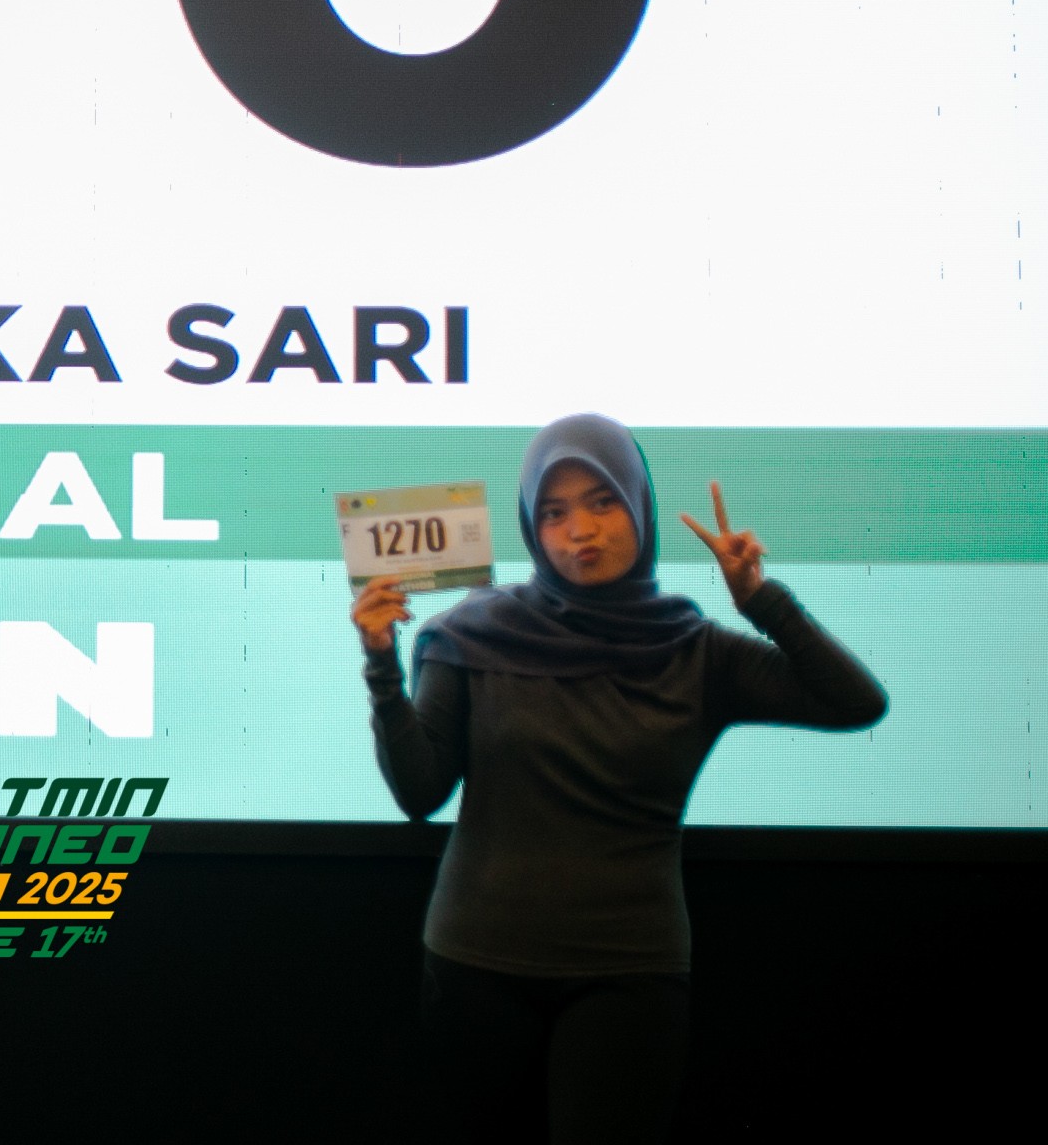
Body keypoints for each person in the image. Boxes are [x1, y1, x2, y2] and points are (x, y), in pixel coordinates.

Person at [351, 414, 887, 1142]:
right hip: (476, 964)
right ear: (531, 527)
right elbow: (420, 794)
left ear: (638, 506)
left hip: (629, 974)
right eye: (554, 512)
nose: (580, 530)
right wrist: (381, 663)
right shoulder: (470, 634)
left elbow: (856, 703)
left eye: (602, 502)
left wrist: (764, 601)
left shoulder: (697, 652)